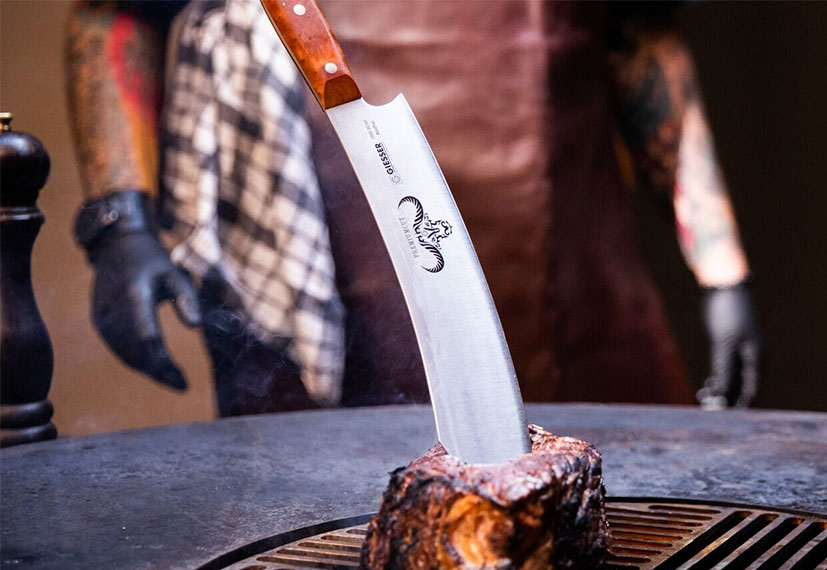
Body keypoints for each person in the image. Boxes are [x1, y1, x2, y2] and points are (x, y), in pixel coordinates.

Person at [65, 0, 761, 416]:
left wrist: (719, 264)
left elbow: (641, 35)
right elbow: (114, 13)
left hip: (582, 283)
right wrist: (119, 222)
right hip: (323, 265)